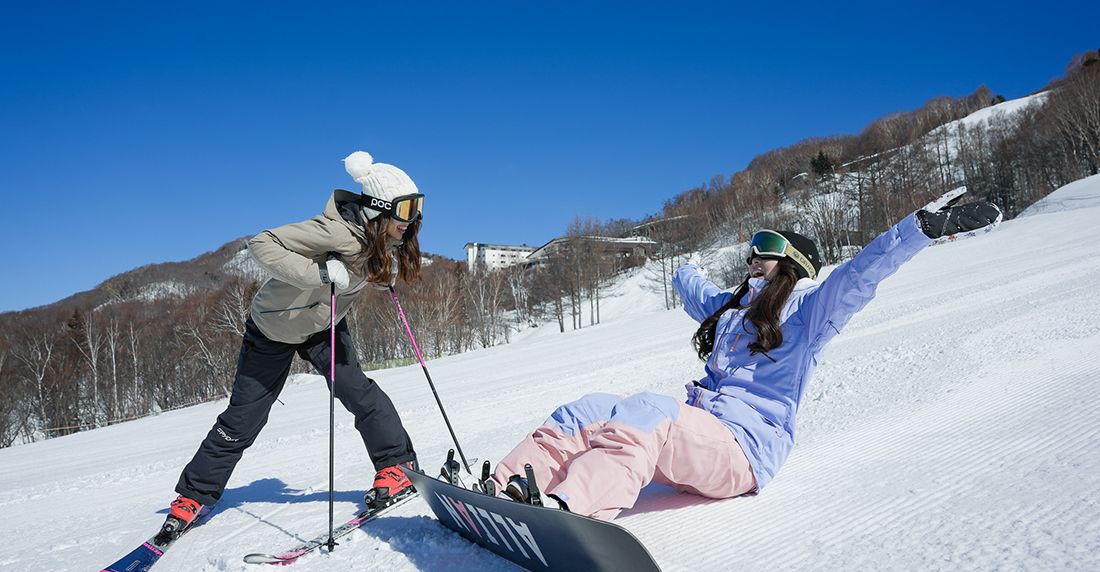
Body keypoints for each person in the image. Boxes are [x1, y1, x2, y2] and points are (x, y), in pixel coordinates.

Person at [489, 194, 1002, 520]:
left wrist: (920, 229)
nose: (753, 254)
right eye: (753, 245)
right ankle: (506, 486)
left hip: (745, 449)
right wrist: (679, 263)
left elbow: (859, 276)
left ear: (792, 264)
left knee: (649, 408)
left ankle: (572, 508)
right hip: (702, 435)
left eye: (766, 247)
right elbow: (697, 294)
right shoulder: (735, 311)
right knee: (592, 406)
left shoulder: (807, 312)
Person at [164, 151, 425, 533]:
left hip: (323, 326)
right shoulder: (334, 232)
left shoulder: (382, 239)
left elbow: (361, 269)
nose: (412, 219)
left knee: (359, 392)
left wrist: (381, 274)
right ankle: (194, 495)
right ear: (378, 209)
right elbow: (262, 243)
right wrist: (317, 272)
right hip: (273, 329)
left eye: (417, 208)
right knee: (243, 418)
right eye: (405, 210)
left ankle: (396, 467)